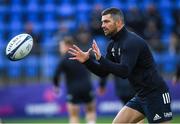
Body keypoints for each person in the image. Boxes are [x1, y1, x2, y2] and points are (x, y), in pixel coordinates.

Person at [68, 7, 172, 123]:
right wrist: (87, 61)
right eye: (102, 22)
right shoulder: (112, 45)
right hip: (141, 95)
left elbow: (124, 71)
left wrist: (101, 59)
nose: (102, 25)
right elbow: (103, 72)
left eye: (106, 21)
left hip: (155, 94)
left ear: (118, 23)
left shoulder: (131, 42)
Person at [53, 36, 96, 124]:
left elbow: (56, 75)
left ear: (67, 45)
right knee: (90, 111)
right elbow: (96, 60)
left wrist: (56, 86)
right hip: (86, 86)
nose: (60, 49)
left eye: (61, 46)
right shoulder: (82, 54)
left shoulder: (63, 59)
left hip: (73, 89)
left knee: (74, 116)